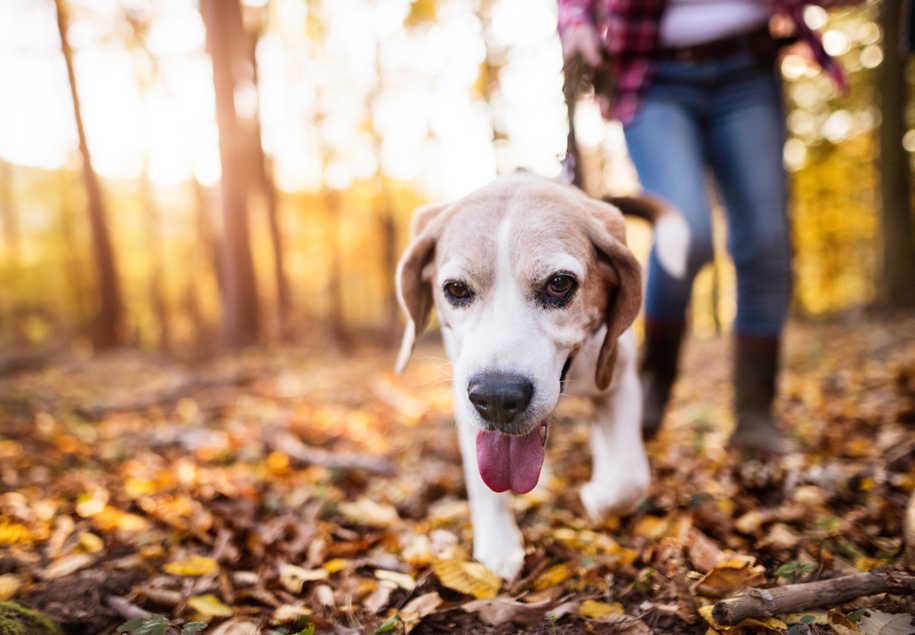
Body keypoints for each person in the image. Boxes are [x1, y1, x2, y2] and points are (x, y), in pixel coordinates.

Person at [557, 0, 860, 454]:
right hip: (652, 74)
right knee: (687, 231)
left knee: (766, 243)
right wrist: (576, 20)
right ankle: (654, 380)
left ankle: (755, 414)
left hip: (750, 67)